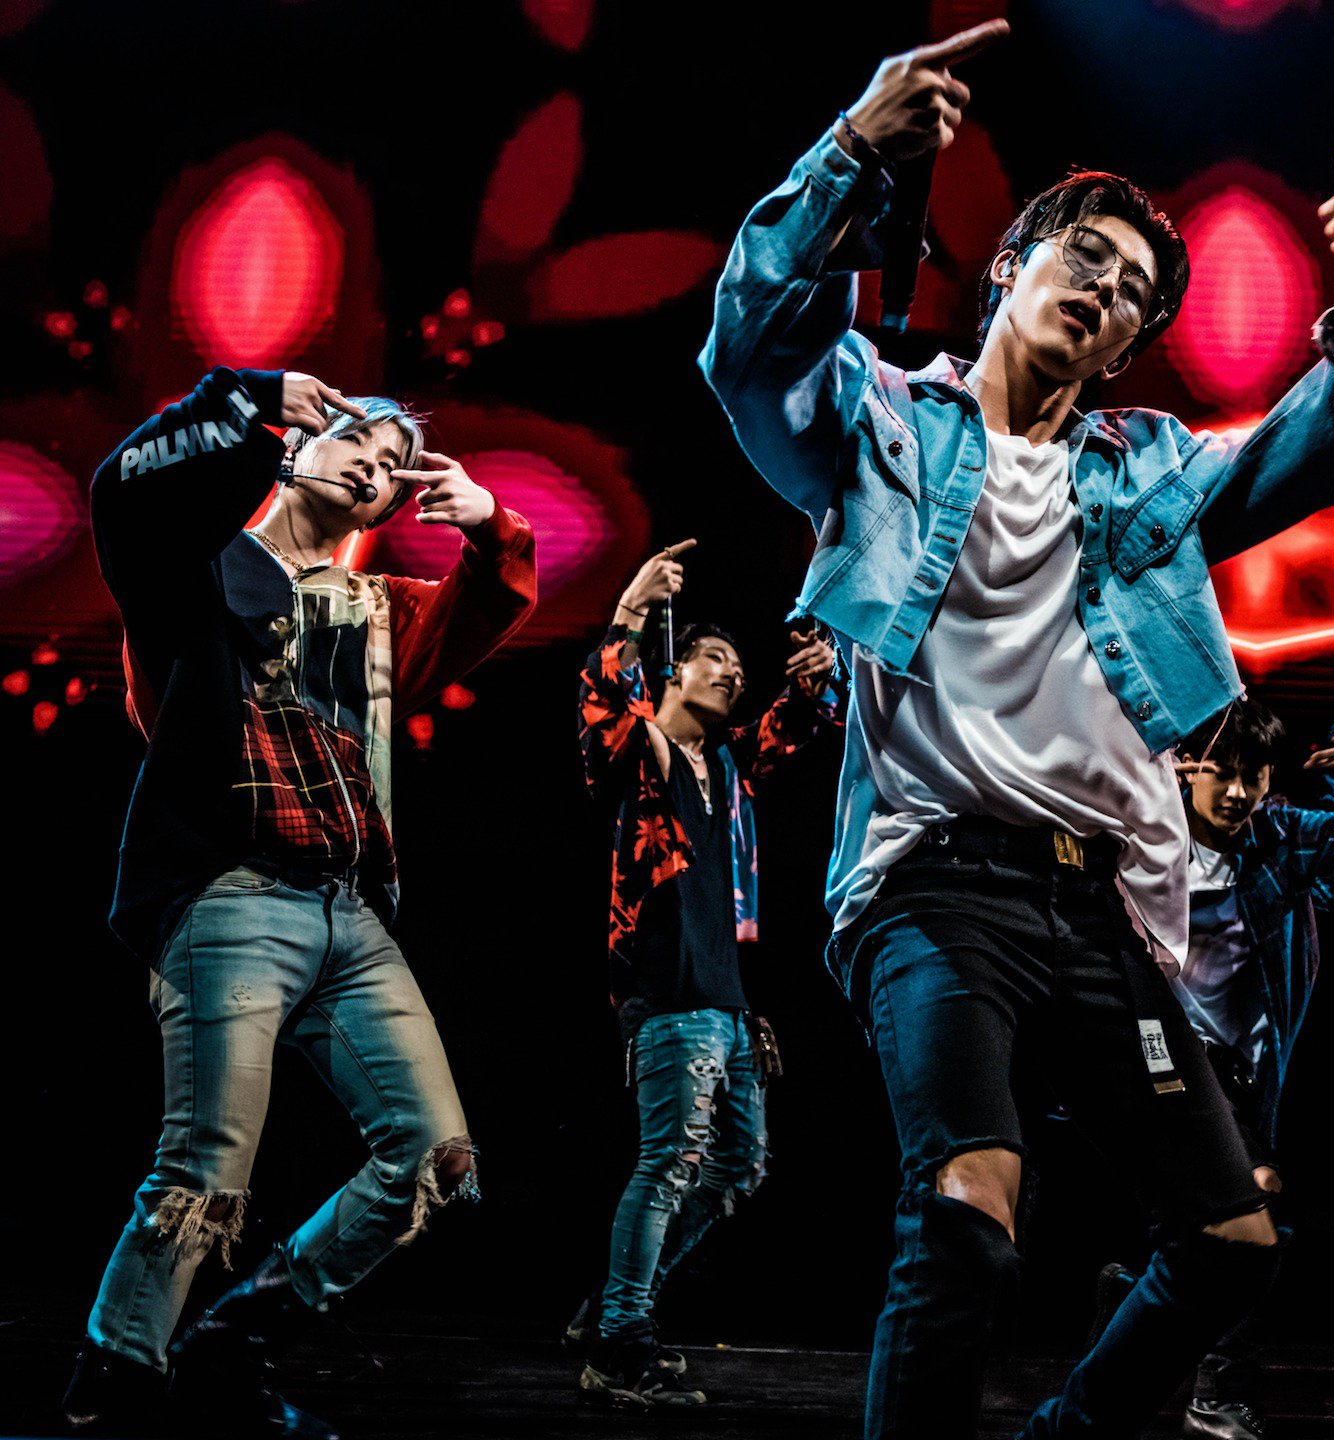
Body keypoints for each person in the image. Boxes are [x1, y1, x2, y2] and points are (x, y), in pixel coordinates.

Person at [698, 18, 1334, 1435]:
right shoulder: (882, 424)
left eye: (1133, 292)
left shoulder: (1150, 469)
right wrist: (851, 154)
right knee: (970, 1204)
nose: (1104, 290)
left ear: (1136, 343)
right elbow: (749, 348)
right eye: (1084, 257)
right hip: (936, 884)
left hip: (1104, 909)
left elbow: (1309, 452)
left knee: (1229, 1245)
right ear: (1010, 267)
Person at [64, 366, 537, 1438]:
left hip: (351, 915)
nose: (375, 465)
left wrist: (488, 526)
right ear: (296, 451)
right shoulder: (199, 569)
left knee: (434, 1159)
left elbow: (492, 600)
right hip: (230, 893)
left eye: (393, 464)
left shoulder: (382, 611)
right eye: (358, 439)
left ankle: (230, 1342)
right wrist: (243, 399)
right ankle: (119, 1377)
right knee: (205, 1172)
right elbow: (123, 492)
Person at [569, 543, 840, 1408]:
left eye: (739, 665)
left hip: (729, 1002)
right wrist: (631, 608)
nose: (732, 673)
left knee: (736, 1170)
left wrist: (816, 676)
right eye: (715, 659)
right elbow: (604, 709)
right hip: (668, 996)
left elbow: (798, 726)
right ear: (674, 671)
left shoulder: (728, 767)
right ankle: (620, 1343)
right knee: (670, 1162)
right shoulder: (641, 754)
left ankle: (614, 1307)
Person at [1159, 700, 1334, 1438]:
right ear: (1186, 769)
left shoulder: (1277, 838)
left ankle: (1137, 1302)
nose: (1237, 792)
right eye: (1223, 774)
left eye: (1253, 776)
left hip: (1244, 1067)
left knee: (1212, 1222)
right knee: (1251, 1194)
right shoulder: (1143, 837)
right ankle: (1215, 1389)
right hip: (1163, 1052)